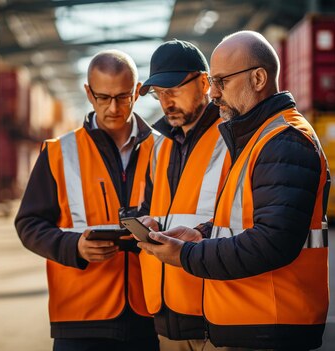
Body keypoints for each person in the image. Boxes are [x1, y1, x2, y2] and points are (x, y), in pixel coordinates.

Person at [136, 31, 331, 350]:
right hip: (249, 320)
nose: (214, 93)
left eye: (222, 81)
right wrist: (202, 233)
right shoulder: (257, 138)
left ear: (258, 78)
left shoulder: (284, 140)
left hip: (269, 324)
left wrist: (186, 254)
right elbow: (243, 221)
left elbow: (273, 241)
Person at [14, 50, 159, 351]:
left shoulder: (164, 149)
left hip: (150, 314)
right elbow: (28, 224)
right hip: (80, 318)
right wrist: (74, 247)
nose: (113, 108)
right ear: (88, 93)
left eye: (122, 97)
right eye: (103, 97)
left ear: (137, 91)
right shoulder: (57, 153)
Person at [136, 39, 230, 350]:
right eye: (159, 94)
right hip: (166, 310)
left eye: (173, 90)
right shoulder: (159, 144)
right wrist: (148, 219)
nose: (166, 102)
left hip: (215, 311)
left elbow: (246, 215)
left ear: (204, 83)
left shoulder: (233, 137)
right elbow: (156, 204)